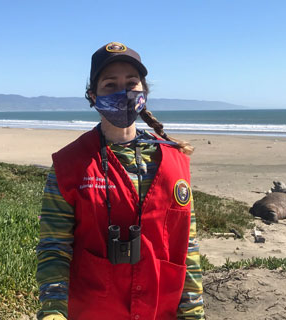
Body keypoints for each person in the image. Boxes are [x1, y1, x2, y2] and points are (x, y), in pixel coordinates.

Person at [35, 42, 203, 320]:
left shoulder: (175, 162)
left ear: (144, 92)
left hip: (160, 312)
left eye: (131, 83)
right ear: (92, 95)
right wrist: (53, 312)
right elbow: (54, 247)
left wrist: (194, 312)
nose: (123, 92)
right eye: (110, 84)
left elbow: (188, 247)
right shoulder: (69, 164)